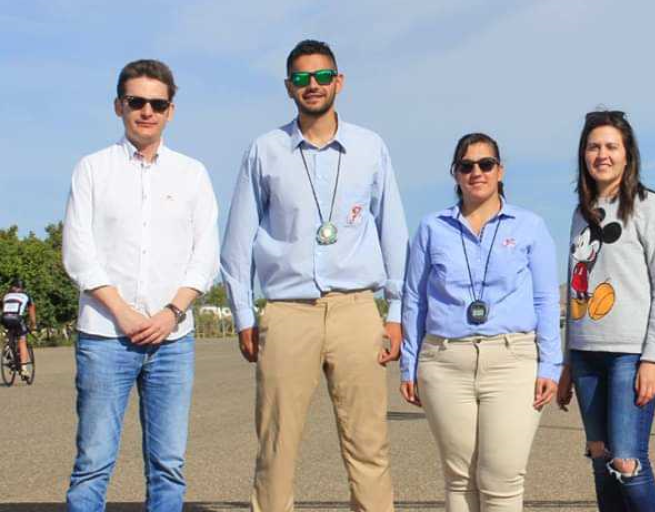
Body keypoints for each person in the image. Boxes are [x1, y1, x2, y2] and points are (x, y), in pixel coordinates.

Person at [220, 39, 408, 512]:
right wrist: (244, 312)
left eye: (322, 76)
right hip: (287, 313)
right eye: (302, 78)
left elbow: (394, 232)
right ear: (289, 87)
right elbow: (238, 240)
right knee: (277, 447)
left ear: (338, 82)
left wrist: (398, 311)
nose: (313, 86)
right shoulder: (265, 151)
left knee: (368, 445)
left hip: (356, 309)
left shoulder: (369, 147)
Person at [61, 59, 220, 512]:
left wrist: (171, 312)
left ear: (171, 110)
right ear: (119, 106)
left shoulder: (192, 174)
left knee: (168, 463)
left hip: (173, 340)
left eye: (157, 103)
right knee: (93, 461)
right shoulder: (92, 169)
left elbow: (204, 256)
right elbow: (78, 251)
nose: (146, 111)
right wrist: (125, 313)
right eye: (136, 101)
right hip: (105, 335)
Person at [400, 133, 560, 512]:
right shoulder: (431, 228)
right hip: (443, 360)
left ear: (500, 171)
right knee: (459, 479)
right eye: (467, 166)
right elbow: (414, 299)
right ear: (455, 174)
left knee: (501, 478)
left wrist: (550, 364)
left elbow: (546, 299)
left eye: (486, 164)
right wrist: (409, 364)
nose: (477, 172)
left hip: (511, 358)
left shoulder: (529, 226)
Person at [555, 110, 655, 512]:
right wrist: (568, 363)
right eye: (594, 147)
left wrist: (653, 358)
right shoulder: (580, 213)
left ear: (627, 155)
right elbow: (577, 294)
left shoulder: (648, 206)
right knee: (599, 455)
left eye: (611, 146)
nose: (602, 155)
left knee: (627, 460)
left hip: (630, 354)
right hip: (587, 354)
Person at [2, 278, 37, 379]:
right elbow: (31, 311)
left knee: (10, 333)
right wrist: (33, 325)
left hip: (4, 318)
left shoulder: (6, 295)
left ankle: (8, 347)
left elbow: (3, 308)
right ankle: (24, 369)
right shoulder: (26, 295)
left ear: (12, 287)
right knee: (22, 340)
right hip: (17, 319)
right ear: (22, 288)